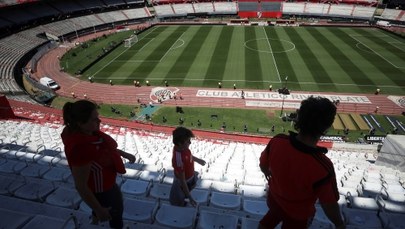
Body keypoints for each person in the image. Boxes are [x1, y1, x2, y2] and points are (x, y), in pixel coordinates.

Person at [259, 96, 344, 229]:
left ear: (299, 118)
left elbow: (263, 164)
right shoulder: (323, 167)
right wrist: (339, 224)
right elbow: (329, 203)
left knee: (272, 216)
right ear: (326, 128)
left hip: (274, 201)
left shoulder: (277, 141)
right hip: (298, 215)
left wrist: (266, 172)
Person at [61, 100, 135, 229]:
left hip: (106, 184)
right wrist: (100, 210)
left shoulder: (88, 134)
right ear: (80, 123)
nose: (99, 121)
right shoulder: (81, 147)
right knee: (116, 215)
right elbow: (81, 186)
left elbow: (102, 150)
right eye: (94, 119)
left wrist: (124, 154)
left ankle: (94, 221)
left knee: (114, 207)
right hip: (102, 190)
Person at [170, 127, 206, 207]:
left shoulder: (183, 148)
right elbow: (182, 181)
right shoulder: (179, 159)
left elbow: (189, 156)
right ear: (180, 143)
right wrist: (190, 197)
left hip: (190, 177)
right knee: (179, 200)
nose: (190, 142)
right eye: (188, 141)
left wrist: (197, 160)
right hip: (183, 183)